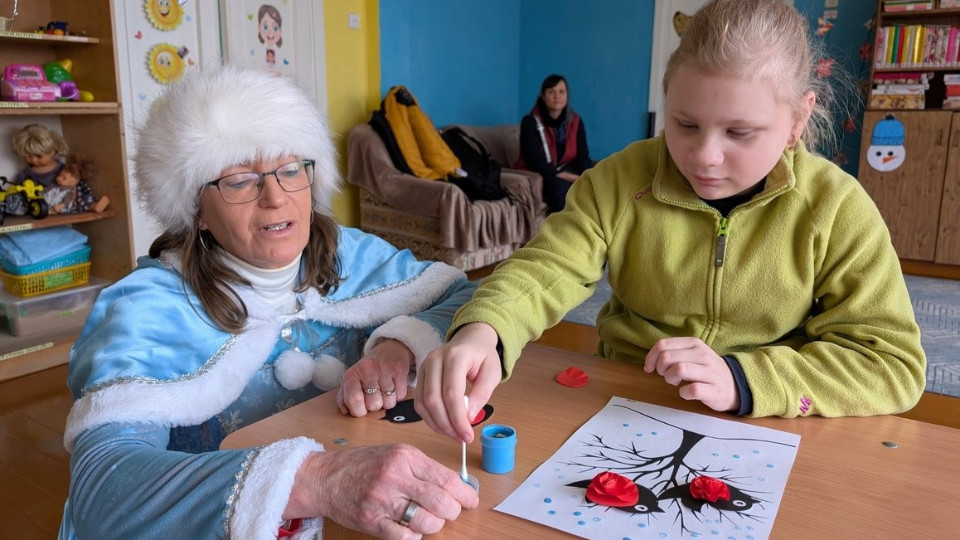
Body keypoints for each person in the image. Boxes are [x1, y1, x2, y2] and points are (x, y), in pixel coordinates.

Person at [415, 0, 927, 445]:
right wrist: (486, 331)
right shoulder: (618, 181)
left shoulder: (837, 208)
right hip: (625, 399)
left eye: (739, 132)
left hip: (773, 417)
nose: (704, 156)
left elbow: (893, 366)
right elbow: (547, 269)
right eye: (684, 124)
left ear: (796, 121)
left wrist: (746, 380)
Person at [59, 66, 478, 540]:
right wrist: (314, 481)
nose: (276, 198)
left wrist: (399, 344)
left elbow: (463, 299)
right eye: (239, 180)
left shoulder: (350, 253)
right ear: (196, 211)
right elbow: (103, 489)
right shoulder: (147, 310)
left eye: (290, 169)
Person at [515, 74, 595, 213]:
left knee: (594, 183)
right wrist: (567, 176)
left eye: (561, 92)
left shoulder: (575, 121)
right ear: (543, 96)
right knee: (560, 188)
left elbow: (582, 157)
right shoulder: (530, 122)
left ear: (567, 96)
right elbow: (534, 161)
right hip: (539, 173)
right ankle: (563, 231)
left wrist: (590, 177)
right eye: (551, 92)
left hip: (564, 170)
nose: (557, 96)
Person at [44, 154, 110, 214]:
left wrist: (63, 205)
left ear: (73, 183)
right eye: (59, 175)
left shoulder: (70, 190)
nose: (59, 178)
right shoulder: (55, 185)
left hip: (65, 205)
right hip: (52, 203)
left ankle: (94, 206)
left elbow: (68, 199)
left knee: (83, 203)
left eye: (64, 178)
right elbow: (47, 189)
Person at [11, 123, 68, 189]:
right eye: (28, 156)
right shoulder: (25, 174)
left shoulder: (64, 169)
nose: (34, 160)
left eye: (39, 156)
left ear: (53, 151)